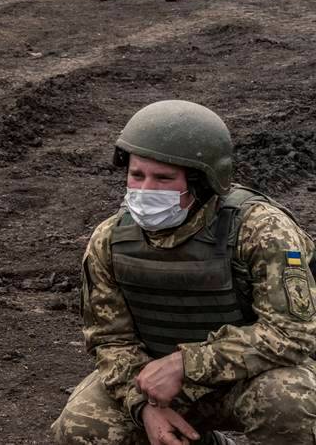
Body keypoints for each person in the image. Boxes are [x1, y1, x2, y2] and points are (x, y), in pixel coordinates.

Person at [52, 100, 316, 445]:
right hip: (157, 384)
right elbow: (111, 340)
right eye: (137, 175)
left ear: (202, 182)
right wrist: (143, 406)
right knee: (80, 428)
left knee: (289, 403)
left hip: (251, 376)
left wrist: (186, 364)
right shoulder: (109, 240)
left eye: (163, 178)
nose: (145, 190)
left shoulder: (261, 230)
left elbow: (292, 334)